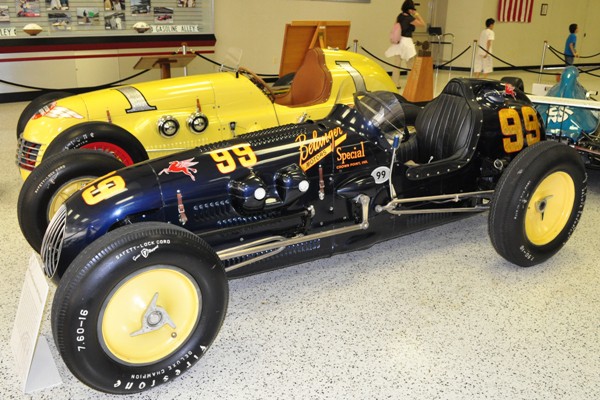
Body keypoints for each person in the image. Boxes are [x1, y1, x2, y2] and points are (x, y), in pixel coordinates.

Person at [384, 0, 425, 88]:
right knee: (410, 64)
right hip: (407, 41)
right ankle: (411, 83)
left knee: (396, 63)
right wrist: (417, 15)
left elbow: (395, 26)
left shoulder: (400, 16)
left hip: (398, 41)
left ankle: (395, 83)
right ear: (409, 9)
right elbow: (422, 24)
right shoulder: (410, 19)